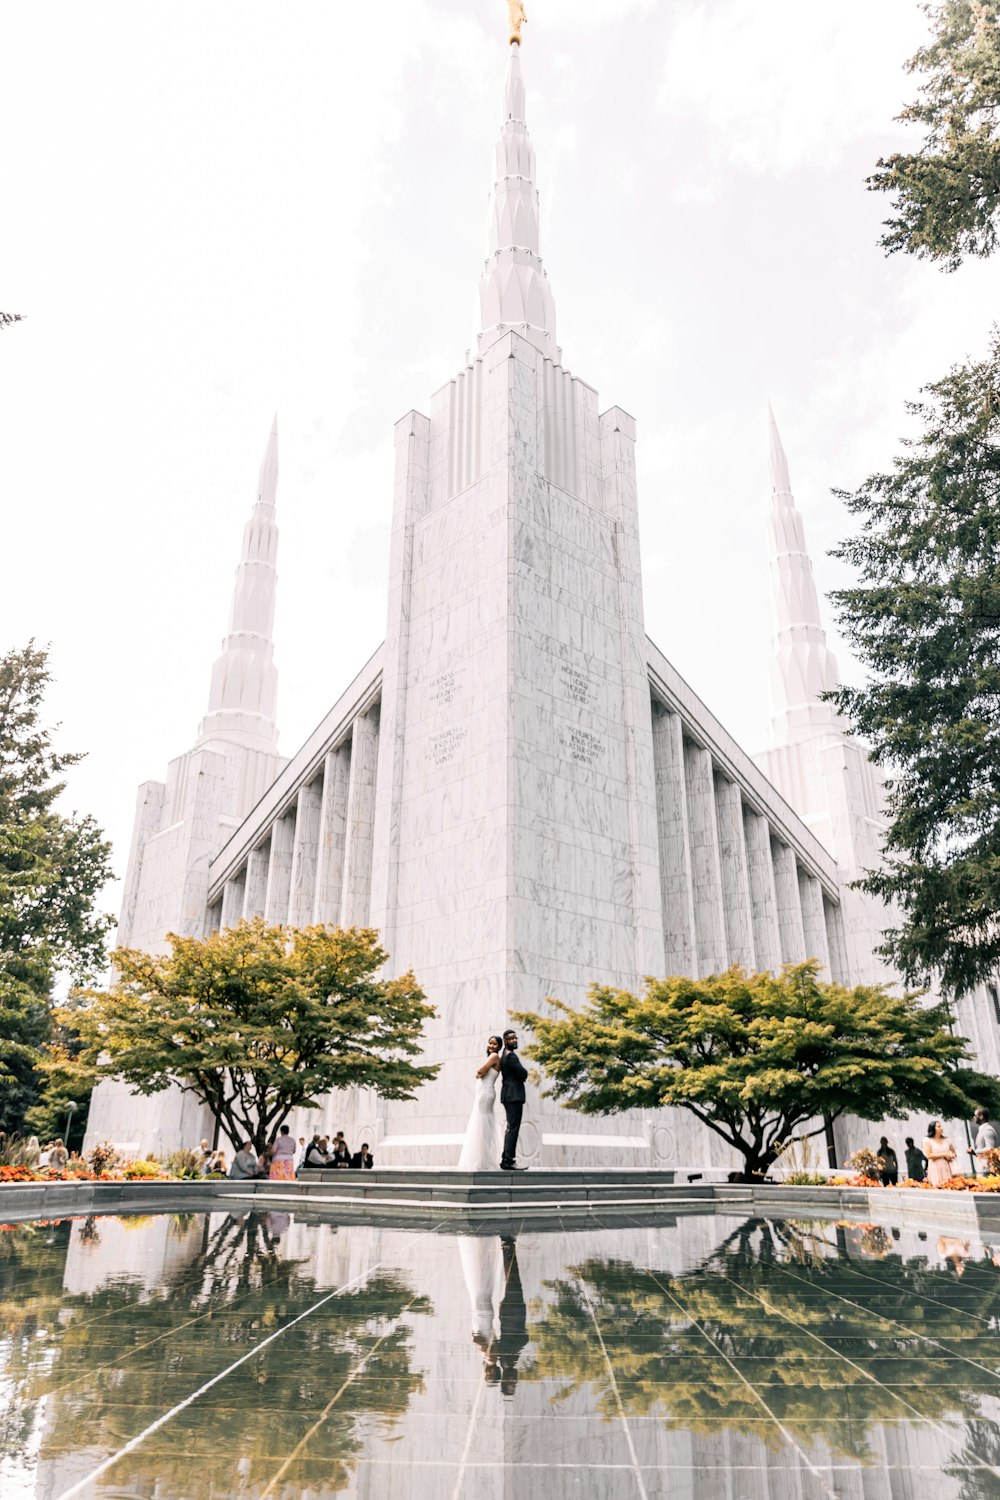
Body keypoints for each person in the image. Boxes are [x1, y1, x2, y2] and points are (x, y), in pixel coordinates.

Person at [457, 1035, 503, 1171]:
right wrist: (481, 1073)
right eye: (490, 1043)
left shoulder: (494, 1056)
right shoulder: (492, 1057)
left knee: (481, 1124)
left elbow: (480, 1071)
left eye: (495, 1044)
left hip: (485, 1093)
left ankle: (481, 1160)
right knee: (482, 1124)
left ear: (499, 1047)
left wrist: (480, 1072)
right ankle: (482, 1158)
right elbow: (480, 1073)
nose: (491, 1046)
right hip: (484, 1093)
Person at [499, 1029, 528, 1171]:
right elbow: (523, 1074)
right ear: (505, 1041)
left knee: (511, 1127)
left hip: (508, 1095)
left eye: (516, 1038)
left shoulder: (504, 1055)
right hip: (513, 1095)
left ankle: (506, 1159)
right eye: (511, 1038)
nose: (515, 1040)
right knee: (513, 1128)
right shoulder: (511, 1057)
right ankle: (509, 1161)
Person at [924, 1119, 957, 1186]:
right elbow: (929, 1155)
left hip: (947, 1167)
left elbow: (954, 1153)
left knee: (949, 1185)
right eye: (938, 1126)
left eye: (941, 1126)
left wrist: (951, 1156)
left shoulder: (947, 1140)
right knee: (937, 1185)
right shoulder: (927, 1140)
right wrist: (944, 1154)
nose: (941, 1128)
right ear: (933, 1128)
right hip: (935, 1167)